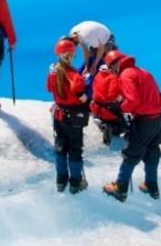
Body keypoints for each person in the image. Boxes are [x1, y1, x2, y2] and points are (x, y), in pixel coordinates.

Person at [102, 50, 161, 202]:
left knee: (131, 153)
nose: (112, 72)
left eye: (111, 69)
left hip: (144, 121)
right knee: (152, 150)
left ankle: (120, 187)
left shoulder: (126, 75)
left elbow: (133, 100)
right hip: (159, 118)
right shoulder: (143, 71)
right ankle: (152, 187)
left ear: (115, 64)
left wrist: (121, 108)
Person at [46, 38, 89, 194]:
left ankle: (61, 180)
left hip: (59, 115)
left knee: (60, 148)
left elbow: (49, 88)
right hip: (73, 118)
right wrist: (86, 97)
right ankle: (75, 182)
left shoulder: (53, 72)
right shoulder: (74, 75)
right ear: (69, 55)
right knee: (75, 150)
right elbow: (79, 93)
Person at [90, 63, 126, 145]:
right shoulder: (113, 78)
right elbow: (111, 95)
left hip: (96, 107)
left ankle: (102, 124)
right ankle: (110, 128)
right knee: (122, 126)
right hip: (108, 109)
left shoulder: (97, 76)